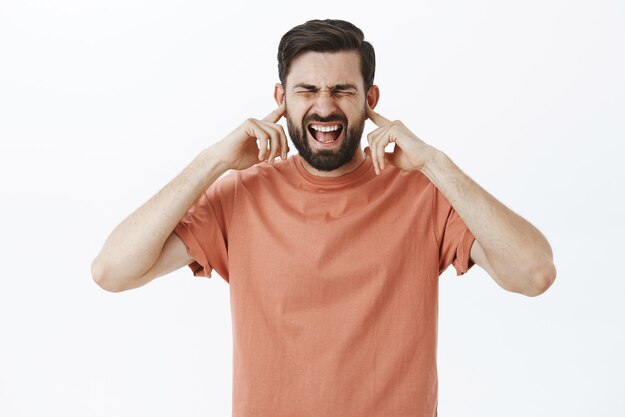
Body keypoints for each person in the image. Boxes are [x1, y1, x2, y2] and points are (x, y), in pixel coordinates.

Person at [92, 19, 556, 417]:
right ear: (281, 98)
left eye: (342, 90)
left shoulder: (424, 195)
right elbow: (112, 271)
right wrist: (212, 161)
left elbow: (534, 273)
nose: (325, 105)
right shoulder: (240, 194)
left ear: (370, 98)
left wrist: (435, 162)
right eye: (307, 89)